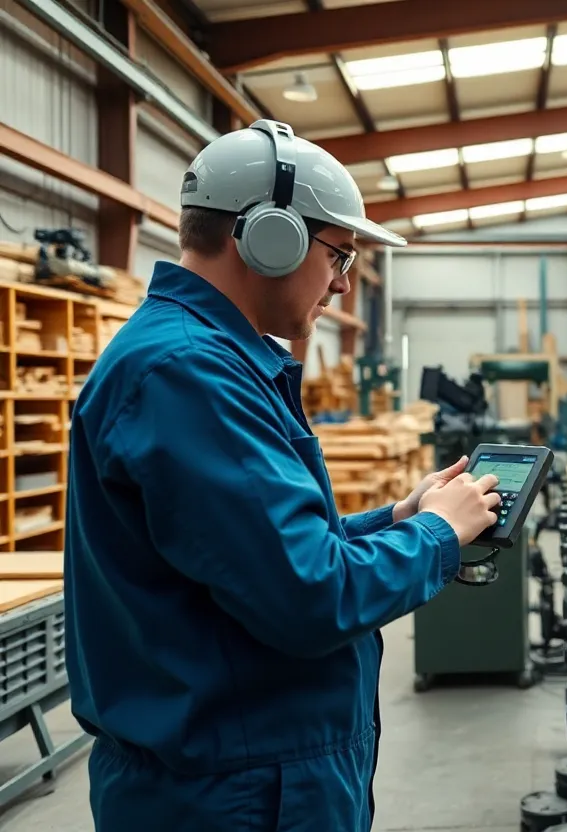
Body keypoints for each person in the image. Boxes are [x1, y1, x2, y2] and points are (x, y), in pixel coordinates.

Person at [64, 119, 500, 831]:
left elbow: (254, 551)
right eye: (339, 255)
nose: (342, 282)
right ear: (271, 236)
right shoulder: (190, 373)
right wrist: (434, 537)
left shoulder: (207, 359)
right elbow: (310, 595)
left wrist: (393, 519)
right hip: (236, 791)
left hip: (239, 769)